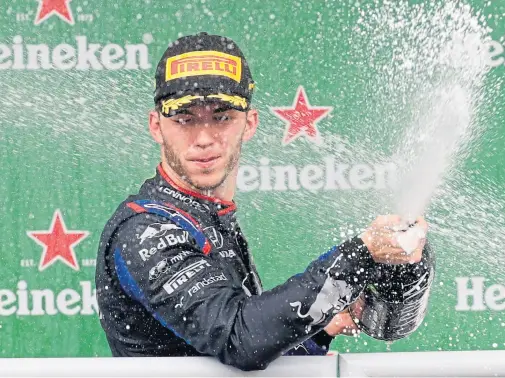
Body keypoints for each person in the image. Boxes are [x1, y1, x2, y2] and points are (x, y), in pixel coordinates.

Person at [95, 32, 428, 371]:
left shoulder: (208, 216)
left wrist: (323, 327)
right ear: (156, 126)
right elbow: (239, 340)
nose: (205, 138)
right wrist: (360, 256)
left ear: (250, 124)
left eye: (223, 116)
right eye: (184, 119)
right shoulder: (145, 229)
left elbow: (237, 358)